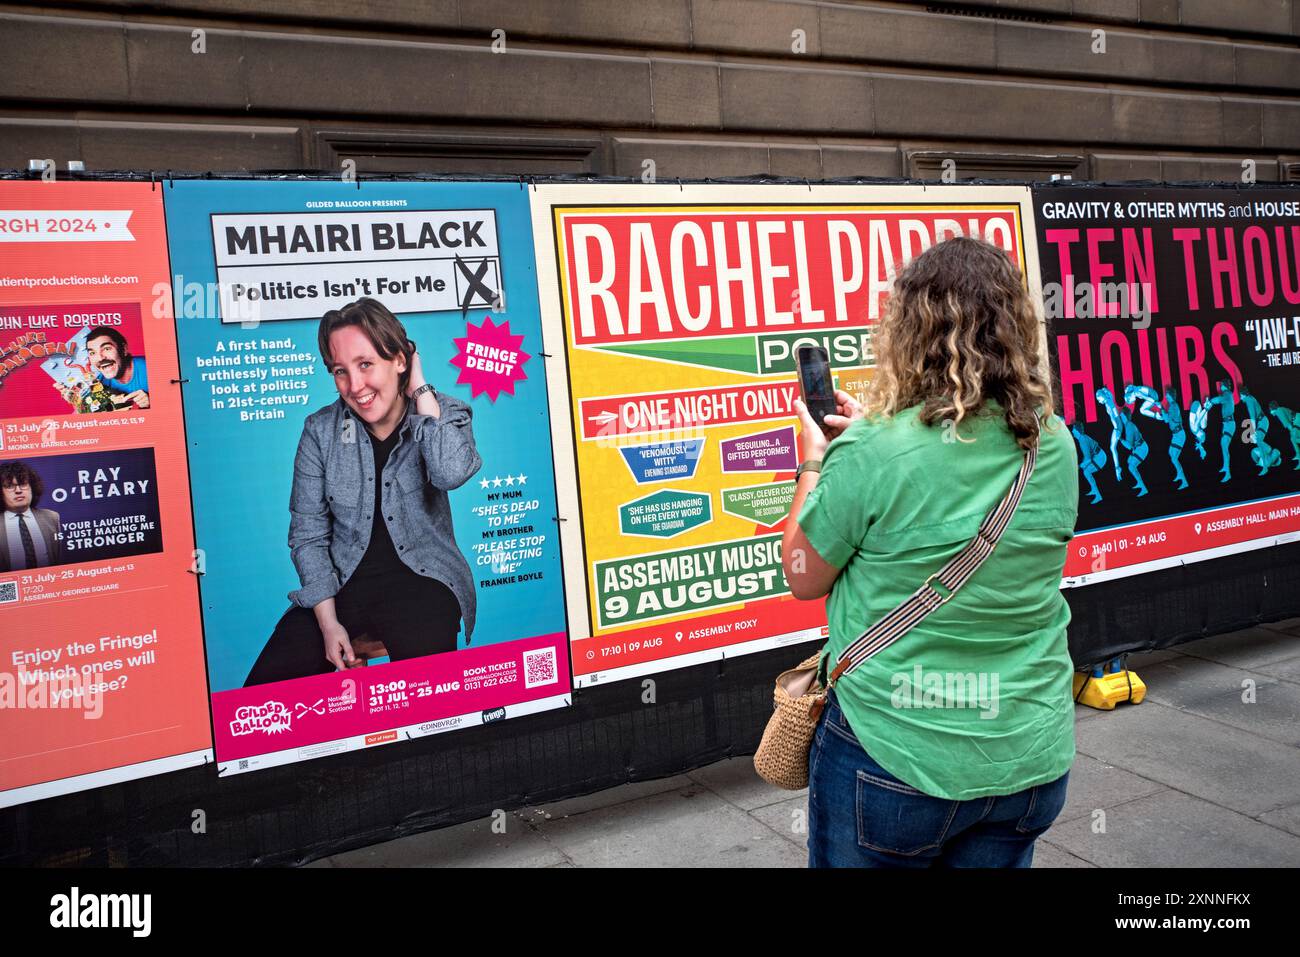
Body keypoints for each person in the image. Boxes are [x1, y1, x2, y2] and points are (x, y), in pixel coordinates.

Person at [782, 236, 1078, 868]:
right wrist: (867, 437)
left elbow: (804, 576)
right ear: (1017, 326)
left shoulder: (869, 451)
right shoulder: (1052, 443)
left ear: (907, 329)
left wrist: (815, 459)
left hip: (896, 756)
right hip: (1028, 750)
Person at [243, 298, 481, 687]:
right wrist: (328, 622)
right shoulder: (320, 432)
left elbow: (451, 473)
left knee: (426, 699)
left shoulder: (444, 413)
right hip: (342, 586)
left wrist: (420, 390)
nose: (355, 387)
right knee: (265, 691)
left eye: (365, 364)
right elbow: (308, 533)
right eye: (340, 371)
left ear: (400, 360)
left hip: (423, 583)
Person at [0, 460, 63, 572]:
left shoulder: (51, 518)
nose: (18, 490)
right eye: (10, 486)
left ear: (32, 487)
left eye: (23, 484)